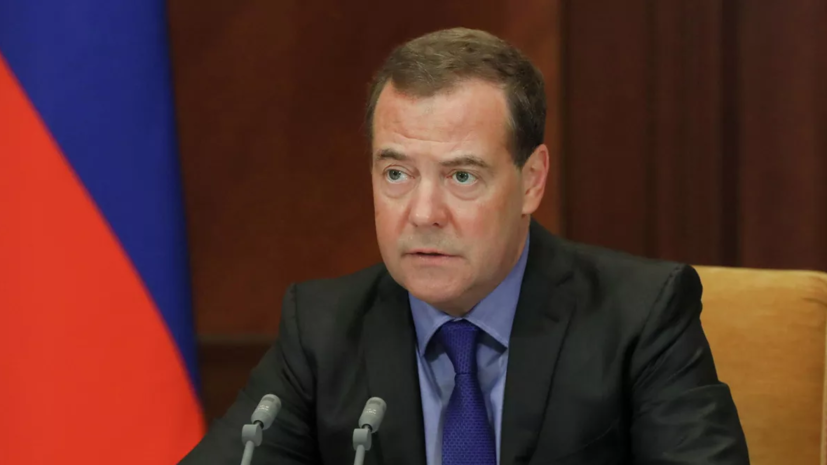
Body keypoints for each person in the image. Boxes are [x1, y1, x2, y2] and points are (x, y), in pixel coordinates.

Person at [180, 28, 749, 465]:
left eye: (461, 176)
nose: (423, 213)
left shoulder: (638, 317)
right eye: (397, 174)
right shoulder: (322, 329)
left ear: (532, 181)